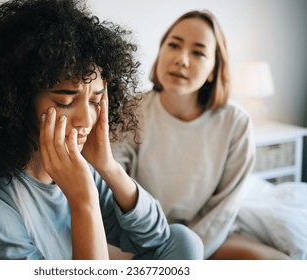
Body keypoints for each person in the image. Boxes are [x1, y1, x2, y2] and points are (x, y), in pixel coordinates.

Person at [0, 0, 204, 260]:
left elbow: (158, 237)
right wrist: (82, 199)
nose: (86, 119)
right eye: (65, 101)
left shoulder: (78, 168)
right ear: (16, 102)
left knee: (185, 241)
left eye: (96, 101)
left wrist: (108, 167)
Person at [113, 10, 290, 260]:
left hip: (206, 235)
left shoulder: (235, 123)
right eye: (173, 45)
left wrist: (189, 254)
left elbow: (223, 209)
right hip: (139, 234)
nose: (182, 59)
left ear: (213, 70)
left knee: (282, 264)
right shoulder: (133, 110)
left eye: (198, 52)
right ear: (161, 51)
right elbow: (112, 186)